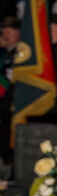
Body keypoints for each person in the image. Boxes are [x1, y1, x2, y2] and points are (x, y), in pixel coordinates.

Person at [0, 16, 20, 164]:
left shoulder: (21, 55)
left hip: (13, 108)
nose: (4, 34)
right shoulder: (4, 55)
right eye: (3, 31)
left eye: (9, 31)